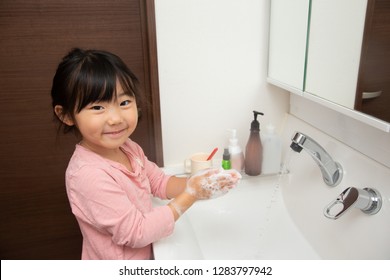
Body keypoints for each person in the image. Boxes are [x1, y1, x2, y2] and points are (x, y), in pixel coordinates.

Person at [50, 48, 241, 260]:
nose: (115, 118)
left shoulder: (128, 147)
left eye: (124, 103)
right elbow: (136, 232)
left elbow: (158, 181)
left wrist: (197, 183)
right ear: (66, 115)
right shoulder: (87, 175)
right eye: (97, 108)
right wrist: (192, 194)